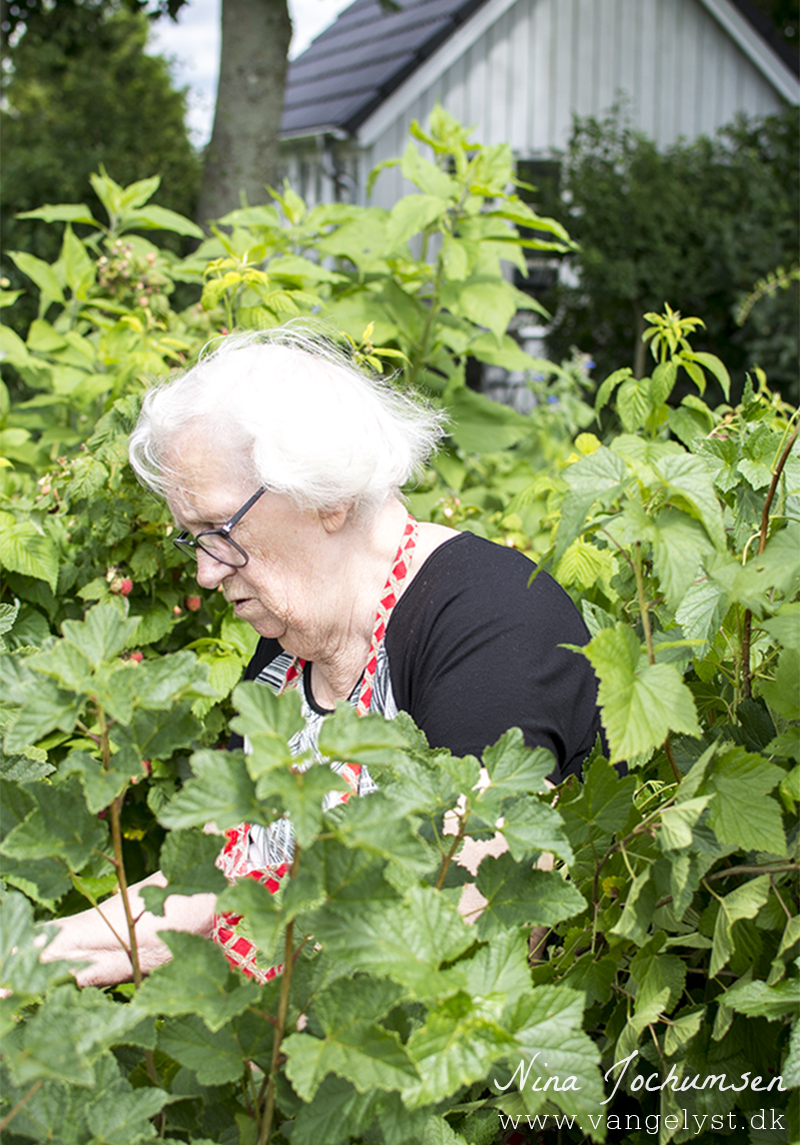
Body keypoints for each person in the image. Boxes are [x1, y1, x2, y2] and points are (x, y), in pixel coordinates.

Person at [36, 327, 602, 986]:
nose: (205, 574)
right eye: (191, 539)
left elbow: (454, 939)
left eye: (219, 531)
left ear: (328, 498)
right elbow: (212, 880)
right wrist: (27, 957)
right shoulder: (287, 651)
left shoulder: (491, 626)